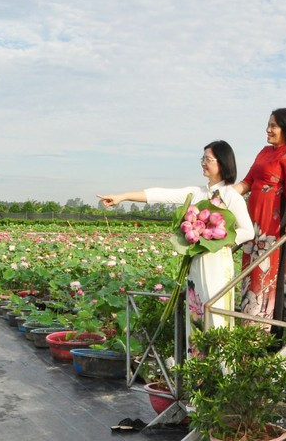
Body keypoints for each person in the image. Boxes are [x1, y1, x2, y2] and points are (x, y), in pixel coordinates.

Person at [97, 140, 254, 355]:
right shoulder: (196, 193)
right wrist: (122, 197)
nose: (203, 164)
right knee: (195, 316)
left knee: (216, 316)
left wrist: (219, 241)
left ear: (223, 163)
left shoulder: (231, 196)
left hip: (218, 263)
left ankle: (220, 374)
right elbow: (161, 194)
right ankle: (195, 374)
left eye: (208, 159)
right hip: (196, 263)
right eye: (203, 159)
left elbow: (248, 231)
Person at [234, 109, 286, 327]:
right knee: (249, 270)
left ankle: (259, 331)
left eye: (274, 125)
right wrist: (220, 197)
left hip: (271, 223)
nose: (268, 129)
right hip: (252, 221)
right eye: (269, 124)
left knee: (263, 272)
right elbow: (246, 183)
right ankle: (247, 324)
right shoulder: (264, 152)